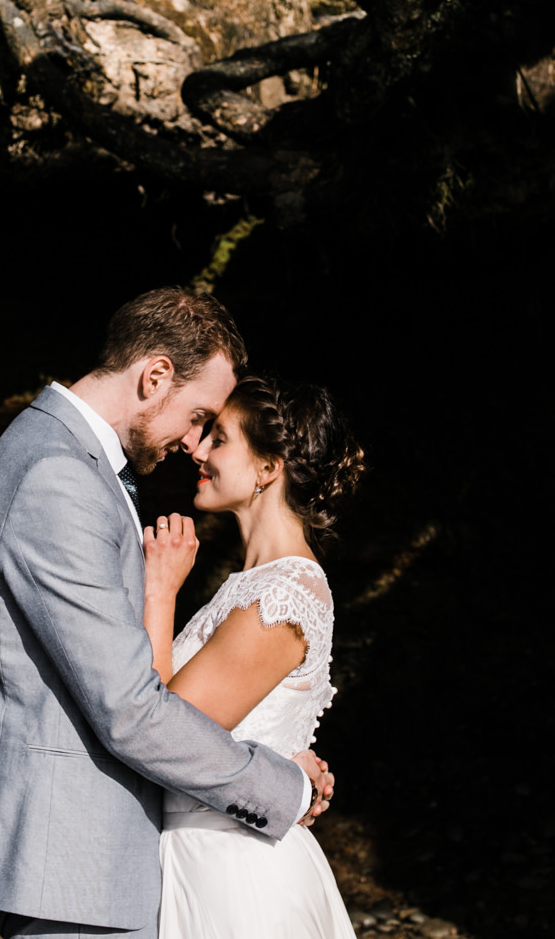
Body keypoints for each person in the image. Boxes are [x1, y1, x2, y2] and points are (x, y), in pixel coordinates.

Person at [0, 288, 333, 939]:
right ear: (154, 377)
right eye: (199, 414)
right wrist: (280, 780)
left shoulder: (67, 460)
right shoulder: (58, 474)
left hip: (98, 858)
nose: (193, 443)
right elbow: (130, 707)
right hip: (71, 855)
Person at [142, 375, 364, 939]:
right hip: (202, 861)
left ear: (268, 468)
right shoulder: (257, 585)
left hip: (235, 879)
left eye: (218, 438)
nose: (195, 448)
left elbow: (167, 731)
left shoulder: (283, 594)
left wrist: (160, 592)